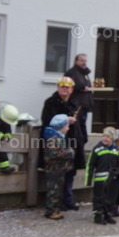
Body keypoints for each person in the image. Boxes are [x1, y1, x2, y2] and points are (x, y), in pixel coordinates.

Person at [40, 76, 86, 211]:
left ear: (72, 89)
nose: (64, 89)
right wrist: (66, 120)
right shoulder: (51, 102)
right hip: (58, 142)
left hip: (74, 140)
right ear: (58, 87)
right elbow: (47, 121)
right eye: (62, 86)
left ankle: (68, 199)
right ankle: (57, 201)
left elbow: (82, 122)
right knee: (58, 173)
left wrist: (83, 138)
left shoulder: (76, 103)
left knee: (71, 172)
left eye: (67, 87)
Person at [85, 126, 119, 225]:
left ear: (113, 139)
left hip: (111, 180)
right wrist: (88, 180)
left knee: (110, 198)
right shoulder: (97, 149)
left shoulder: (116, 150)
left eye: (108, 137)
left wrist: (118, 176)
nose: (105, 138)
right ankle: (97, 215)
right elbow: (90, 165)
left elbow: (118, 165)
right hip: (100, 180)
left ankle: (107, 214)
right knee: (99, 197)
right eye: (104, 136)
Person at [42, 114, 75, 220]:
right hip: (54, 169)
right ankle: (51, 211)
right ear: (61, 127)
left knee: (58, 190)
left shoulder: (59, 138)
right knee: (53, 191)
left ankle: (55, 210)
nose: (68, 128)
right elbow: (52, 154)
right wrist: (69, 152)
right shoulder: (53, 139)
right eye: (67, 126)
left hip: (59, 169)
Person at [64, 53, 94, 133]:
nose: (84, 62)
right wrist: (81, 88)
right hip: (76, 105)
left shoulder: (85, 73)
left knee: (82, 126)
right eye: (81, 60)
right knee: (76, 128)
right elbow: (69, 85)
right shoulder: (71, 73)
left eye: (85, 61)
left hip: (84, 105)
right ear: (75, 61)